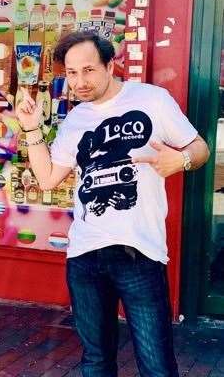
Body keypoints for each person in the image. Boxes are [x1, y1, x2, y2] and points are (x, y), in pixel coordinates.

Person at [16, 31, 209, 377]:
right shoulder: (76, 121)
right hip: (85, 256)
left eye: (88, 70)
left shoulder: (152, 100)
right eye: (71, 73)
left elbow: (200, 147)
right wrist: (31, 129)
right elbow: (47, 179)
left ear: (110, 65)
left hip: (140, 253)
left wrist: (181, 162)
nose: (80, 82)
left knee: (157, 365)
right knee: (95, 361)